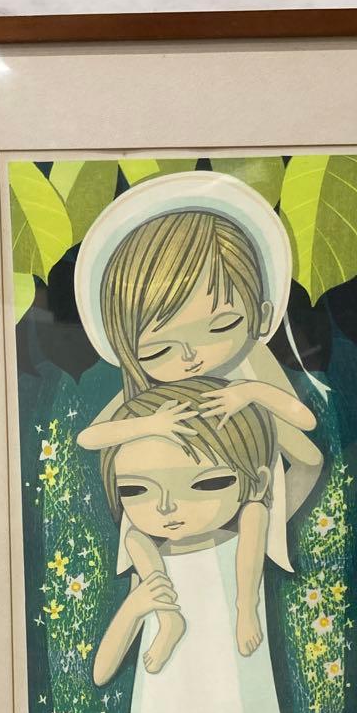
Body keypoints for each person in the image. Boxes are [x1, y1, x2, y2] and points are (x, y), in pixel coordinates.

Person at [74, 172, 324, 671]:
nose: (191, 359)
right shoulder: (149, 399)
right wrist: (150, 427)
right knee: (137, 530)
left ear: (261, 315)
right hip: (168, 542)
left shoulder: (247, 374)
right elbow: (91, 437)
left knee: (253, 511)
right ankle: (169, 618)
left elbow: (309, 450)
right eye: (158, 349)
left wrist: (251, 398)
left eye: (221, 325)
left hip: (233, 526)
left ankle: (244, 599)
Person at [92, 377, 285, 713]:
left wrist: (254, 391)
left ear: (256, 481)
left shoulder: (252, 523)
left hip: (237, 669)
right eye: (135, 489)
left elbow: (304, 462)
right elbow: (101, 671)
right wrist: (140, 606)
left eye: (207, 483)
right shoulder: (145, 553)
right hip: (169, 676)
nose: (167, 508)